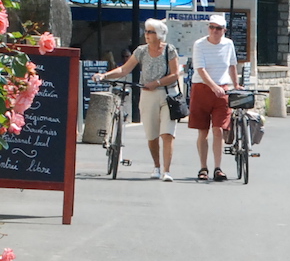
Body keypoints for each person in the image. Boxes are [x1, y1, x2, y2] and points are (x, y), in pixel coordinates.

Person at [99, 18, 181, 181]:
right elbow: (124, 69)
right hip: (148, 95)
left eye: (151, 32)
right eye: (146, 31)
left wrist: (156, 83)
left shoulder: (169, 50)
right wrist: (105, 75)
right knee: (152, 134)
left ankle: (167, 171)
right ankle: (156, 166)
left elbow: (175, 74)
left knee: (167, 134)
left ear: (159, 34)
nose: (147, 35)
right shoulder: (141, 51)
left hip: (168, 94)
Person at [189, 12, 237, 182]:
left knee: (218, 129)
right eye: (211, 27)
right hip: (202, 88)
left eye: (218, 28)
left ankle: (218, 167)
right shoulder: (200, 44)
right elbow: (200, 69)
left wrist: (236, 84)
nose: (214, 31)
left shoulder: (228, 44)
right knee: (203, 130)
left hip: (222, 90)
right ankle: (203, 167)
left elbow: (232, 65)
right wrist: (213, 86)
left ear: (224, 30)